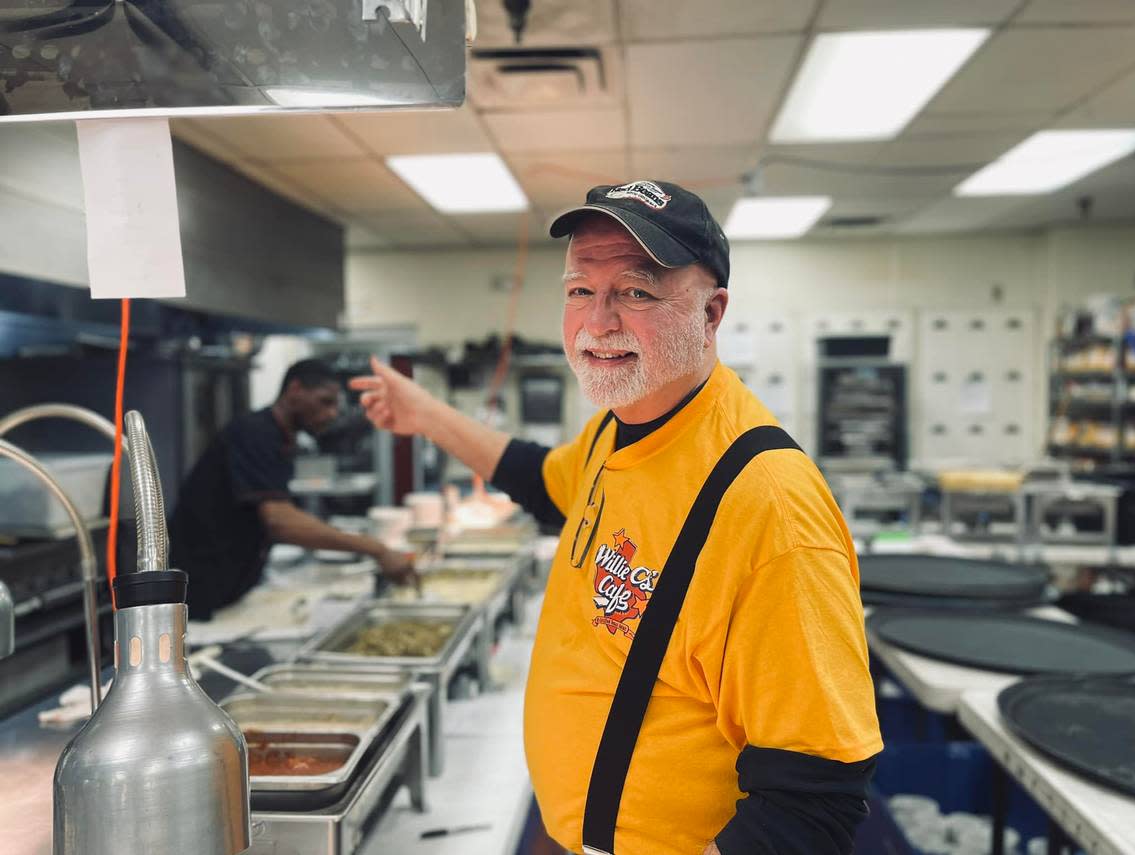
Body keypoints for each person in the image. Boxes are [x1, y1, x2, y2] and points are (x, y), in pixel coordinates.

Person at [350, 180, 881, 855]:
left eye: (636, 291)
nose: (598, 322)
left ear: (711, 313)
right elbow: (540, 479)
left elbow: (813, 801)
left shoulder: (768, 506)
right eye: (580, 290)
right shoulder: (619, 428)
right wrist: (422, 413)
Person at [169, 358, 416, 620]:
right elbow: (281, 522)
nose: (332, 413)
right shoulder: (254, 433)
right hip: (198, 593)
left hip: (230, 587)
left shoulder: (280, 437)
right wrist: (376, 549)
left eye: (335, 405)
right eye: (325, 401)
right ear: (295, 390)